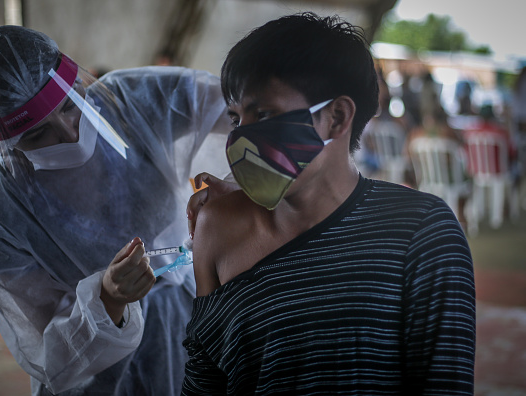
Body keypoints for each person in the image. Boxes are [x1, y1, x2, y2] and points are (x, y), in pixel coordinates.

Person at [182, 13, 475, 395]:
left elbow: (443, 386)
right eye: (236, 117)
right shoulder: (216, 225)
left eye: (265, 114)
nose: (241, 137)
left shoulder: (420, 232)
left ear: (336, 117)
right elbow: (204, 383)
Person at [0, 25, 229, 395]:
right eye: (38, 134)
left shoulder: (133, 104)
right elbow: (45, 354)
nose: (69, 133)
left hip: (193, 327)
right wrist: (107, 301)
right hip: (100, 380)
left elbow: (243, 106)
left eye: (70, 105)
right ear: (0, 139)